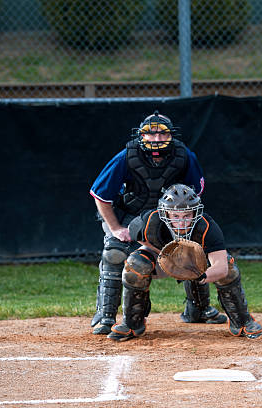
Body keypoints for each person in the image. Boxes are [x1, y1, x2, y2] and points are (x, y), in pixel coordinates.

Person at [89, 111, 226, 335]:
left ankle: (199, 309)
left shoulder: (184, 155)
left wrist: (182, 225)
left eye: (161, 134)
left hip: (168, 217)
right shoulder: (126, 156)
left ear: (171, 136)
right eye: (149, 134)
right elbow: (100, 195)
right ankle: (105, 315)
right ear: (140, 136)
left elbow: (195, 193)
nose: (155, 139)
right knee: (114, 253)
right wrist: (116, 228)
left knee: (190, 250)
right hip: (129, 215)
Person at [107, 183, 262, 342]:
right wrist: (168, 256)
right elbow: (140, 238)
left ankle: (242, 321)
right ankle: (132, 323)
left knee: (229, 265)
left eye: (186, 215)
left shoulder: (207, 227)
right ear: (165, 213)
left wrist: (200, 275)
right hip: (163, 257)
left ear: (195, 213)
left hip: (197, 262)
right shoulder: (149, 221)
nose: (181, 222)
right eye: (175, 216)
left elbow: (221, 268)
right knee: (136, 264)